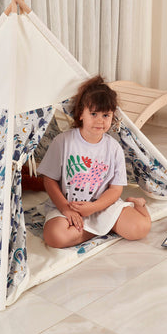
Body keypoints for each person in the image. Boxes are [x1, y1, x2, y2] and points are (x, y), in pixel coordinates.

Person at [37, 75, 151, 248]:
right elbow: (49, 180)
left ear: (113, 116)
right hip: (69, 207)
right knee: (55, 237)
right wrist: (65, 208)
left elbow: (115, 190)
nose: (100, 120)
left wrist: (94, 207)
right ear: (81, 114)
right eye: (93, 114)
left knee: (140, 228)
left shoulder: (114, 148)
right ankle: (105, 229)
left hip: (102, 206)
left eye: (106, 115)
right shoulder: (63, 142)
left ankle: (138, 204)